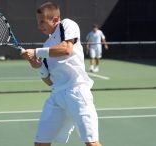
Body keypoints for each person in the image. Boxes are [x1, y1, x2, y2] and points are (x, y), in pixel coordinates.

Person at [21, 2, 102, 146]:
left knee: (91, 143)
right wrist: (37, 66)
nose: (39, 26)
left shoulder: (67, 25)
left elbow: (66, 49)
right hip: (57, 96)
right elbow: (49, 81)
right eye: (37, 22)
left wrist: (36, 52)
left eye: (42, 22)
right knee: (40, 143)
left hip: (77, 92)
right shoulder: (47, 45)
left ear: (56, 19)